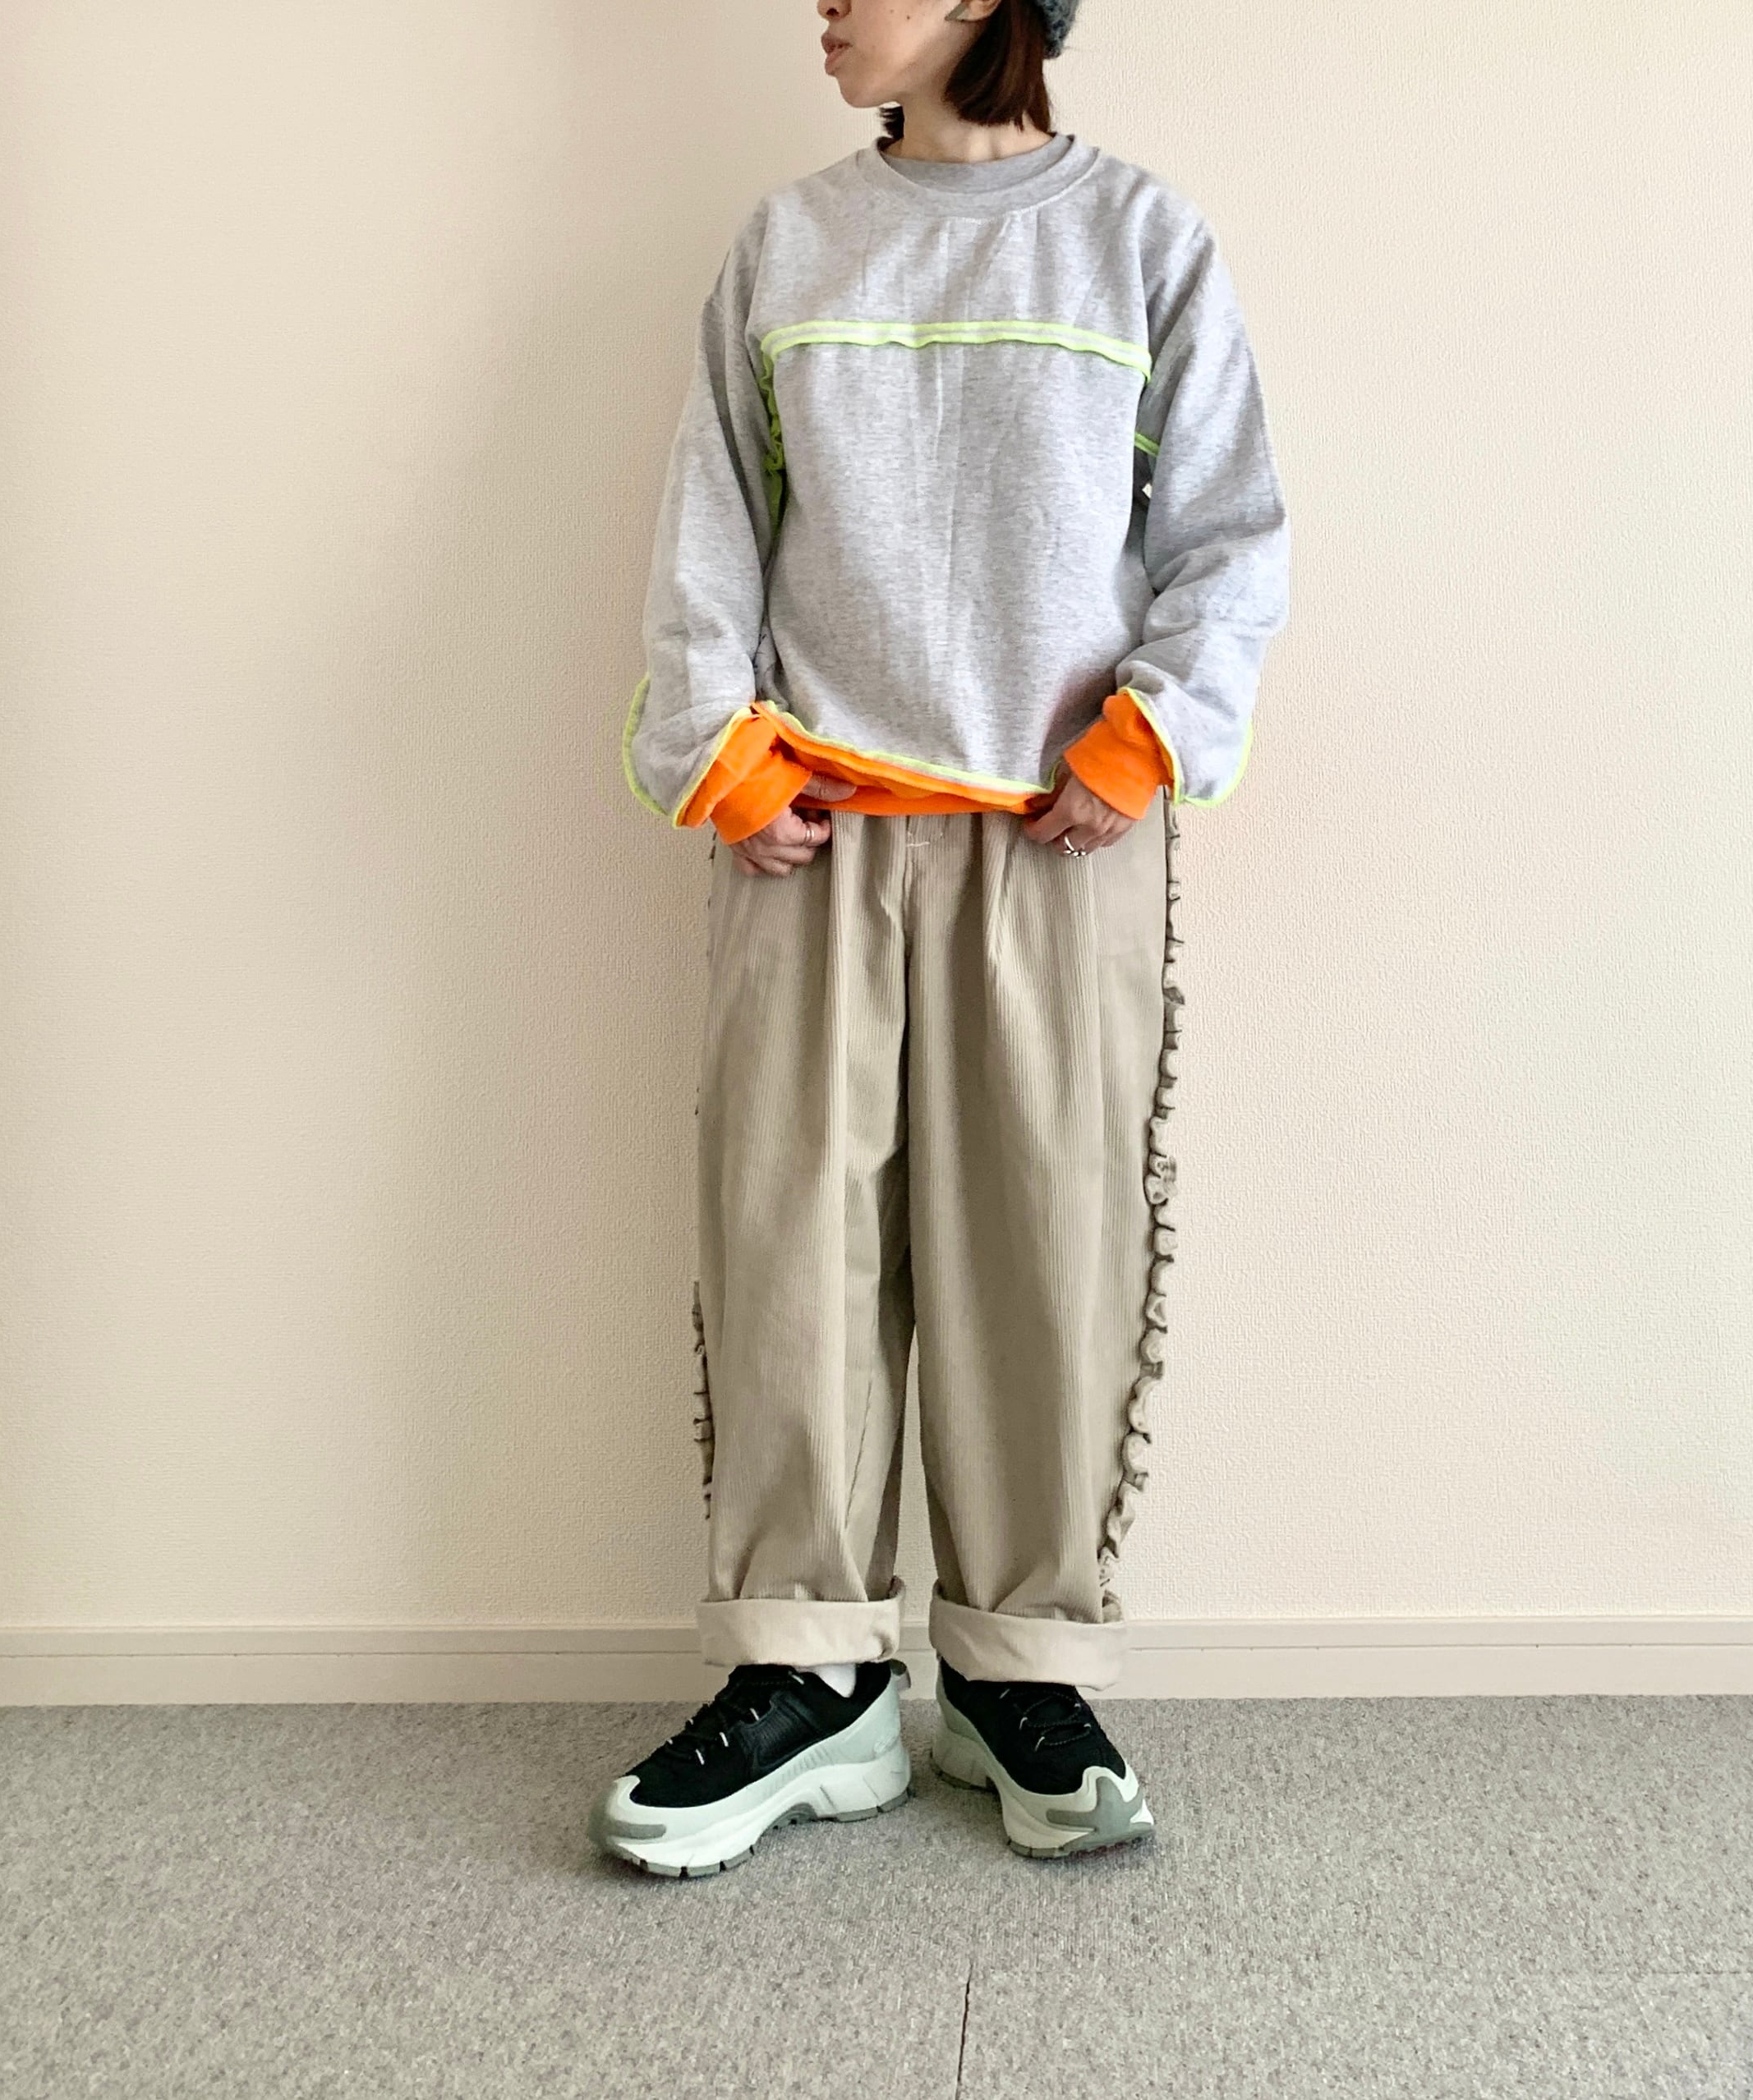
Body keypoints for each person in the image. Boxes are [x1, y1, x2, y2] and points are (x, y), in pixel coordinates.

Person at [591, 0, 1290, 1878]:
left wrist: (1143, 738)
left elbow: (1231, 533)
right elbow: (706, 530)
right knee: (788, 1237)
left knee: (1045, 1239)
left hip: (1055, 837)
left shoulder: (1137, 241)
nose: (821, 5)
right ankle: (811, 1674)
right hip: (810, 832)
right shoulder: (788, 244)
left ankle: (1013, 1671)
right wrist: (720, 755)